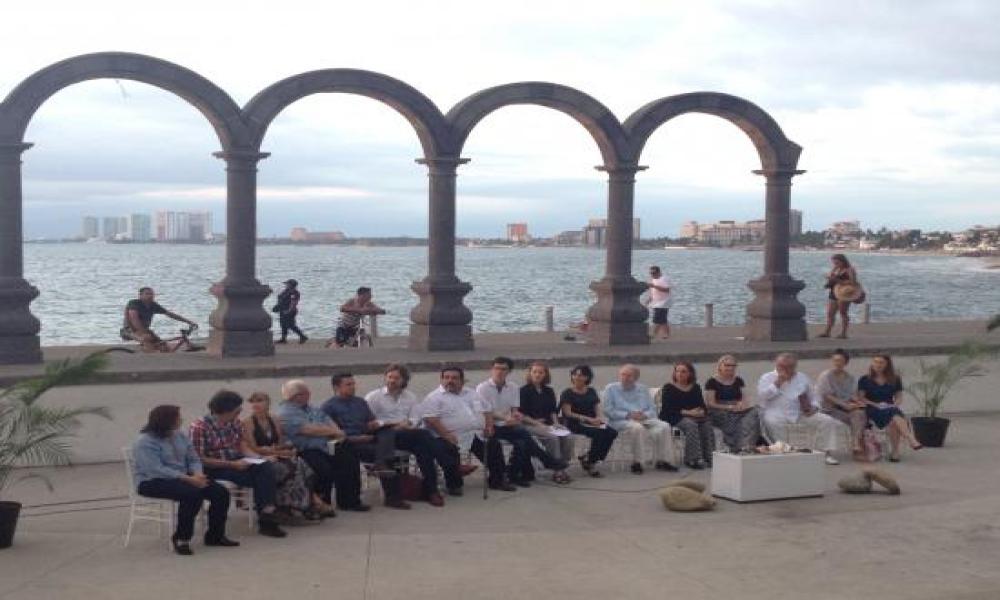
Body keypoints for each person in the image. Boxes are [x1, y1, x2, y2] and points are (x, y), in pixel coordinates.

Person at [132, 405, 237, 555]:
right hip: (152, 481)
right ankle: (182, 538)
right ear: (166, 421)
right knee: (192, 494)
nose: (181, 419)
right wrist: (188, 479)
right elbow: (155, 469)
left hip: (185, 477)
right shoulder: (145, 442)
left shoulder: (179, 435)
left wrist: (198, 474)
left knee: (220, 492)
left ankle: (215, 536)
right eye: (177, 417)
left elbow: (193, 457)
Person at [188, 390, 287, 538]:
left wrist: (258, 457)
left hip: (237, 460)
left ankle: (267, 514)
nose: (240, 412)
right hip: (214, 466)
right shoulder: (200, 427)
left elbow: (241, 445)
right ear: (225, 411)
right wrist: (231, 465)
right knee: (262, 479)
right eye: (237, 410)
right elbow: (199, 459)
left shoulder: (234, 422)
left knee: (266, 468)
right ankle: (268, 517)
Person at [365, 363, 463, 505]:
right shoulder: (374, 397)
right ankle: (450, 464)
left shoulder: (410, 397)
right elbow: (370, 422)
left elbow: (415, 418)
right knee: (423, 435)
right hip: (383, 436)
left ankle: (432, 492)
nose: (392, 380)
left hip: (407, 434)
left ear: (404, 380)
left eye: (396, 378)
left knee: (424, 452)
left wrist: (407, 424)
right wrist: (393, 424)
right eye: (389, 377)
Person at [474, 357, 569, 488]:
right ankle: (547, 461)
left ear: (509, 371)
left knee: (522, 442)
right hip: (489, 425)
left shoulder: (512, 387)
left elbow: (514, 410)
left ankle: (513, 475)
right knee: (523, 434)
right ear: (492, 369)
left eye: (503, 369)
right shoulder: (483, 388)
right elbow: (486, 411)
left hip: (507, 425)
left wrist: (515, 416)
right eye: (496, 368)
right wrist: (506, 418)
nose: (499, 371)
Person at [278, 379, 371, 513]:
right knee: (323, 468)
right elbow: (307, 430)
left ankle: (349, 501)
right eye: (306, 392)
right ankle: (321, 503)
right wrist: (333, 431)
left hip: (326, 444)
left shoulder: (311, 408)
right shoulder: (286, 412)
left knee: (349, 458)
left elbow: (327, 420)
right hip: (306, 449)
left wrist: (336, 431)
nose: (309, 395)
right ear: (296, 396)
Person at [321, 373, 411, 509]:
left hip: (367, 436)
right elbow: (330, 434)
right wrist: (356, 438)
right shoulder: (328, 407)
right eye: (348, 385)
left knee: (388, 433)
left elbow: (370, 421)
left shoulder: (360, 402)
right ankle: (381, 467)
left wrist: (373, 425)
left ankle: (391, 493)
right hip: (347, 442)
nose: (352, 387)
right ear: (336, 387)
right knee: (385, 454)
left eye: (353, 384)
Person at [422, 365, 515, 492]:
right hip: (447, 435)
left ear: (462, 380)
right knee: (449, 449)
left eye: (454, 378)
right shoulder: (434, 397)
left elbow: (487, 410)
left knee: (494, 445)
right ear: (441, 379)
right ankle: (454, 485)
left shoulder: (472, 393)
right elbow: (431, 419)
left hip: (475, 434)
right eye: (446, 378)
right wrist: (446, 435)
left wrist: (489, 426)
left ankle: (497, 480)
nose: (450, 381)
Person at [242, 392, 329, 521]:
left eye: (259, 400)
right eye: (253, 401)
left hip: (276, 454)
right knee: (292, 468)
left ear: (268, 403)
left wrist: (284, 449)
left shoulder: (274, 419)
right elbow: (253, 447)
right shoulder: (248, 422)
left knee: (302, 465)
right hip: (261, 458)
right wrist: (272, 452)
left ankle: (302, 505)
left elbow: (280, 442)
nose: (256, 404)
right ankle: (310, 504)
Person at [757, 353, 845, 465]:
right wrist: (777, 383)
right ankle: (784, 453)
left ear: (794, 367)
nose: (782, 369)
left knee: (827, 421)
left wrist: (814, 408)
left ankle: (825, 453)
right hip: (775, 413)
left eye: (787, 367)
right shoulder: (767, 377)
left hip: (799, 413)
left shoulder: (802, 377)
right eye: (780, 366)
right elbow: (762, 396)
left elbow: (815, 397)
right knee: (772, 422)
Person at [604, 364, 678, 474]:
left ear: (636, 378)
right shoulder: (611, 388)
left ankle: (663, 460)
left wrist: (645, 415)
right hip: (621, 420)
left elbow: (652, 409)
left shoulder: (642, 388)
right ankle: (637, 462)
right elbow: (608, 411)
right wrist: (628, 415)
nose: (625, 378)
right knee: (638, 428)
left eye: (629, 375)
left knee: (664, 426)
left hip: (643, 418)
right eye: (622, 374)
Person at [858, 354, 923, 461]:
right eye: (875, 362)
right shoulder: (865, 379)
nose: (878, 365)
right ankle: (910, 438)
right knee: (894, 414)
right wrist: (876, 405)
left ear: (887, 364)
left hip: (889, 407)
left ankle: (895, 452)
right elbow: (861, 398)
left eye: (881, 362)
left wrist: (894, 404)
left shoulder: (895, 379)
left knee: (893, 419)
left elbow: (899, 397)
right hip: (872, 408)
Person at [518, 361, 574, 484]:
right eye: (534, 372)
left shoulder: (549, 391)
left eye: (540, 372)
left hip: (548, 423)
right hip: (530, 424)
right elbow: (521, 414)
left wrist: (556, 422)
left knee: (568, 436)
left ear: (545, 375)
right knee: (553, 438)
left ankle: (562, 465)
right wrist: (538, 424)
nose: (537, 375)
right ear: (530, 373)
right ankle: (557, 469)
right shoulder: (523, 391)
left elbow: (553, 410)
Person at [559, 365, 618, 477]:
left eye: (581, 375)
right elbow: (567, 412)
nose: (577, 377)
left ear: (587, 377)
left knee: (612, 432)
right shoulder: (567, 392)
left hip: (592, 421)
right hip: (575, 422)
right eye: (575, 374)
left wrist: (598, 418)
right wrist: (588, 419)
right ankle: (591, 463)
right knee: (599, 434)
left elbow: (596, 406)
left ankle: (589, 457)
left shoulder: (591, 391)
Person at [659, 362, 715, 469]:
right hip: (673, 416)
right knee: (691, 425)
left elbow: (701, 405)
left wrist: (701, 412)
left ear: (690, 374)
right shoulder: (669, 387)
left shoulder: (695, 387)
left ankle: (709, 457)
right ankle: (692, 459)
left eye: (683, 371)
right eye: (677, 371)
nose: (680, 374)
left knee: (707, 424)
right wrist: (689, 413)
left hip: (693, 415)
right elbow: (668, 408)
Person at [815, 349, 867, 460]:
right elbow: (827, 396)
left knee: (859, 414)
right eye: (835, 360)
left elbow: (852, 395)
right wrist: (845, 405)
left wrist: (858, 402)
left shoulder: (850, 378)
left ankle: (855, 444)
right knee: (856, 418)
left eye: (840, 361)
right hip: (827, 409)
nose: (837, 363)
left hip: (842, 409)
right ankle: (857, 448)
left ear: (846, 363)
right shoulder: (826, 376)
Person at [704, 355, 761, 452]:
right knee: (733, 419)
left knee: (755, 413)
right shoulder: (712, 382)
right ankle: (736, 446)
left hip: (736, 408)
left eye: (733, 365)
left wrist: (741, 405)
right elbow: (710, 403)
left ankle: (747, 445)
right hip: (719, 409)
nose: (730, 368)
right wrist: (729, 407)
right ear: (720, 366)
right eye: (727, 365)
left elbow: (744, 398)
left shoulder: (739, 380)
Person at [121, 286, 199, 352]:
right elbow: (134, 319)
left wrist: (189, 322)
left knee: (164, 347)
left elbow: (170, 314)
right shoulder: (134, 303)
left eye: (152, 294)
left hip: (145, 330)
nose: (150, 296)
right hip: (129, 330)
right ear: (140, 295)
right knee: (146, 340)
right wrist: (143, 332)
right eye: (147, 294)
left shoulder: (153, 305)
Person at [819, 254, 859, 339]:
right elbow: (832, 278)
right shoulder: (836, 269)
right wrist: (829, 280)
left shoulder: (849, 270)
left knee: (843, 313)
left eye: (837, 263)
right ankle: (827, 332)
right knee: (830, 313)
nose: (835, 264)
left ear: (843, 261)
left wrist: (837, 280)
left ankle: (844, 333)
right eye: (834, 263)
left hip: (845, 293)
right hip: (834, 291)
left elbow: (853, 282)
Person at [274, 279, 307, 344]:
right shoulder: (286, 291)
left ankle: (302, 336)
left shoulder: (294, 293)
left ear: (291, 285)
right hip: (282, 309)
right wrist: (277, 307)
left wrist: (289, 310)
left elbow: (294, 302)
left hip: (289, 311)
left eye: (287, 284)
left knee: (291, 325)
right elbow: (281, 299)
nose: (286, 285)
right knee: (283, 324)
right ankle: (283, 339)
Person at [645, 265, 673, 339]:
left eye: (654, 273)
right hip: (656, 302)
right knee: (661, 319)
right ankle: (664, 334)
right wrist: (649, 299)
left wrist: (654, 286)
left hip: (664, 302)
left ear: (659, 272)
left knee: (658, 319)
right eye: (651, 273)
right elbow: (653, 292)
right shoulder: (654, 280)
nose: (652, 275)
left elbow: (667, 290)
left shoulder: (664, 279)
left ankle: (655, 334)